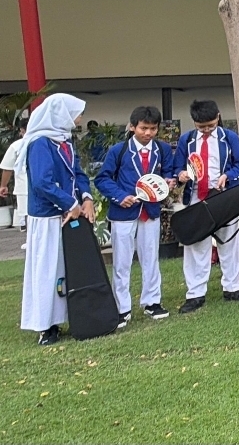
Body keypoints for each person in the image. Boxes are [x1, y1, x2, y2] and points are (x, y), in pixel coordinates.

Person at [19, 94, 96, 345]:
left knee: (66, 268)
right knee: (47, 270)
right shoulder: (40, 143)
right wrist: (70, 204)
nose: (79, 117)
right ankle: (46, 325)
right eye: (76, 112)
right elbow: (42, 182)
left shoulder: (64, 141)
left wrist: (86, 199)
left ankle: (66, 315)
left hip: (67, 214)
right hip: (48, 216)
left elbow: (78, 173)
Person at [94, 106, 175, 325]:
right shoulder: (118, 151)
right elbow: (102, 179)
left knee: (151, 257)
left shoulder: (162, 149)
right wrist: (120, 196)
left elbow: (168, 173)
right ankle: (122, 308)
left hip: (151, 211)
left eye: (153, 129)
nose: (148, 133)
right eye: (143, 128)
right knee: (122, 261)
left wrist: (169, 181)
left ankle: (152, 302)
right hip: (124, 212)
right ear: (132, 127)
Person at [175, 99, 239, 313]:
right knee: (196, 245)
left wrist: (228, 175)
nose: (207, 130)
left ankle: (233, 288)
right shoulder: (186, 140)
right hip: (196, 198)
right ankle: (195, 294)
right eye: (202, 127)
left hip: (224, 196)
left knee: (229, 241)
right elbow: (177, 168)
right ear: (194, 122)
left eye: (211, 125)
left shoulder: (229, 137)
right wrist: (181, 175)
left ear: (218, 117)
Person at [1, 117, 29, 249]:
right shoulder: (46, 142)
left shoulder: (17, 145)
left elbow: (7, 168)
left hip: (24, 186)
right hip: (44, 186)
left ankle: (30, 240)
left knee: (27, 214)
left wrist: (3, 185)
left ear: (22, 130)